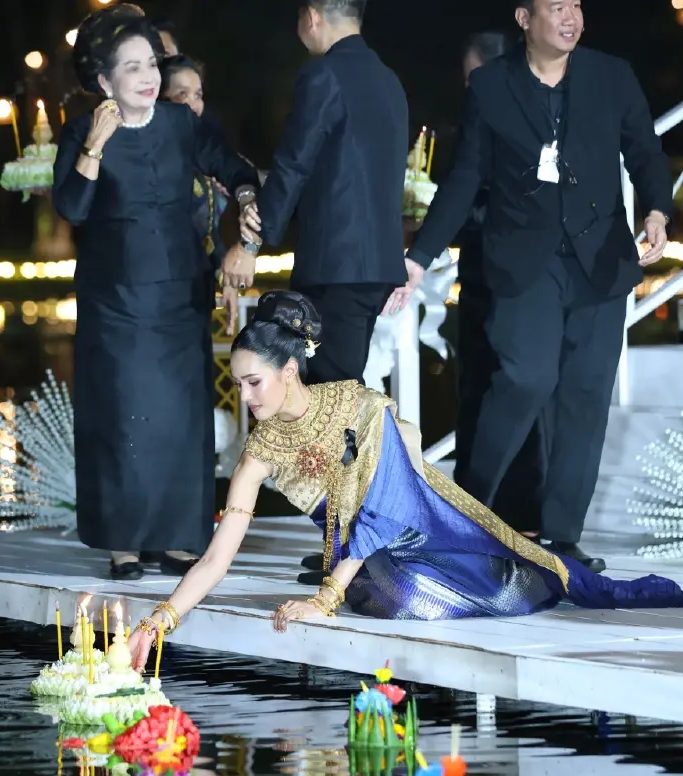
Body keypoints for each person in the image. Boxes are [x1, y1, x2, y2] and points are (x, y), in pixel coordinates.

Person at [125, 291, 683, 663]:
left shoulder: (358, 409)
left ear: (289, 368)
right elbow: (216, 557)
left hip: (425, 528)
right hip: (363, 557)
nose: (245, 394)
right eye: (240, 381)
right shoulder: (260, 450)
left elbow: (383, 503)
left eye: (255, 380)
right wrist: (158, 623)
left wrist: (325, 597)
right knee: (391, 594)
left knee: (478, 589)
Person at [402, 0, 674, 574]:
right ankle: (468, 509)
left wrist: (656, 211)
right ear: (525, 20)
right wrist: (421, 255)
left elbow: (646, 151)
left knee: (585, 395)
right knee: (526, 377)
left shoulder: (610, 75)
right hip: (524, 262)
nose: (571, 16)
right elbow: (465, 177)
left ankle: (562, 537)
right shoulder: (491, 86)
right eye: (556, 7)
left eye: (576, 5)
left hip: (599, 261)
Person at [50, 6, 259, 580]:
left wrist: (244, 200)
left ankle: (176, 540)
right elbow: (71, 206)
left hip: (180, 296)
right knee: (121, 416)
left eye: (152, 65)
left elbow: (233, 165)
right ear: (104, 82)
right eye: (132, 68)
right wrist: (93, 146)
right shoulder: (83, 130)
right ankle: (123, 544)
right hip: (113, 299)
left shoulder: (180, 125)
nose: (148, 77)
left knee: (179, 417)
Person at [218, 0, 412, 389]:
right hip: (374, 266)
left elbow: (294, 163)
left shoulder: (324, 74)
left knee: (329, 395)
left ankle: (362, 452)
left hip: (336, 264)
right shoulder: (388, 79)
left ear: (312, 16)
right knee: (336, 388)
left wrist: (250, 244)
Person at [452, 31, 546, 538]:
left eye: (471, 79)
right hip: (484, 272)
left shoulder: (513, 118)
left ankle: (507, 513)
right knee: (482, 387)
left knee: (504, 387)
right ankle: (484, 511)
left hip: (507, 274)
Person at [161, 54, 228, 272]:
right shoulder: (147, 159)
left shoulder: (202, 156)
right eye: (183, 94)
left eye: (198, 95)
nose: (193, 103)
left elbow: (208, 234)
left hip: (196, 287)